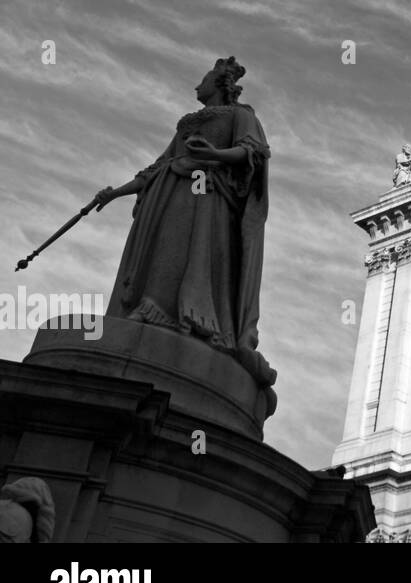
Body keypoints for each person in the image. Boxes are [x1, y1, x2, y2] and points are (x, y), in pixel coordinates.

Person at [91, 57, 274, 389]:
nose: (196, 86)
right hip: (169, 191)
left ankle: (182, 315)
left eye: (203, 79)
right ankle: (151, 307)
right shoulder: (187, 123)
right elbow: (158, 166)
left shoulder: (240, 115)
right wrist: (114, 194)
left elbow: (252, 153)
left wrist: (214, 155)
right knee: (164, 250)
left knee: (193, 253)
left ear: (220, 83)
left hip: (207, 195)